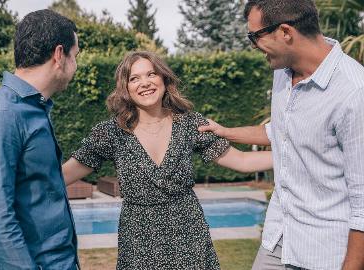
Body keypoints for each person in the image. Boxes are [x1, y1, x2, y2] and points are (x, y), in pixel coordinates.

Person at [62, 51, 273, 269]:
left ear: (164, 78)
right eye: (134, 78)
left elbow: (242, 161)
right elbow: (64, 175)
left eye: (151, 74)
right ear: (125, 88)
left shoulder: (189, 124)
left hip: (190, 237)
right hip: (139, 242)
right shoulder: (111, 133)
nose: (144, 83)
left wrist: (296, 156)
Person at [199, 0, 364, 269]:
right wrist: (225, 132)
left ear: (285, 32)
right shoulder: (283, 73)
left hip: (326, 254)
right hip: (278, 239)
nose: (253, 46)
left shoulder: (354, 92)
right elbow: (282, 131)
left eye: (255, 36)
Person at [0, 9, 80, 270]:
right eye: (75, 56)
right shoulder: (0, 116)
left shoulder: (33, 109)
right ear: (59, 55)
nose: (75, 66)